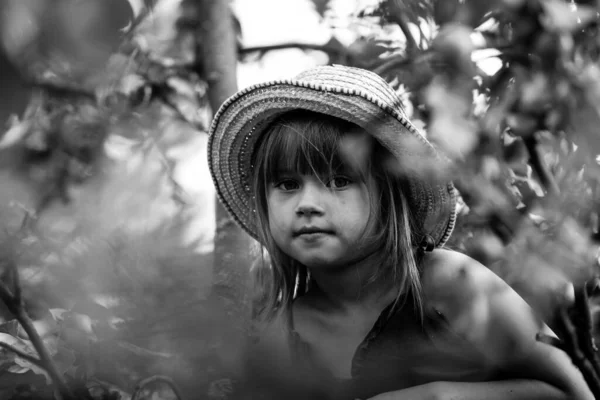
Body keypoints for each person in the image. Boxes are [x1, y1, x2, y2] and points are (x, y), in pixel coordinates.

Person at [207, 65, 592, 400]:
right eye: (287, 184)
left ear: (391, 195)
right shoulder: (282, 335)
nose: (307, 203)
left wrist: (440, 396)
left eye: (340, 180)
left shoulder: (450, 282)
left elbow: (577, 390)